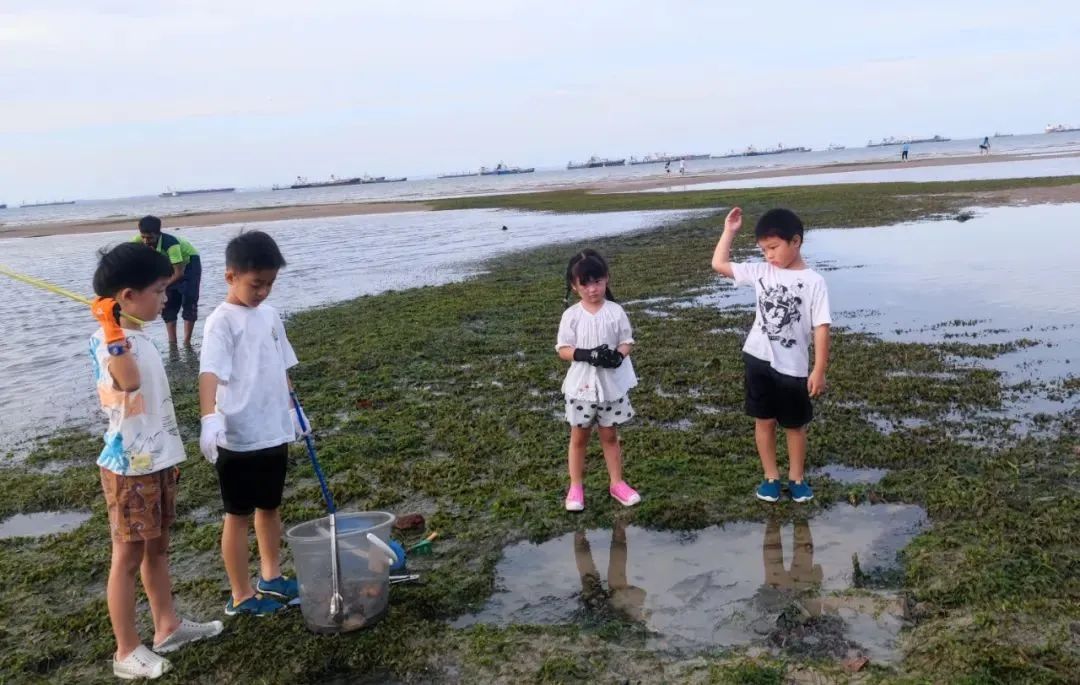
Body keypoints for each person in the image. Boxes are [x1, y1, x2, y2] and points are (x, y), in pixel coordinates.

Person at [89, 243, 222, 679]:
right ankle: (126, 649)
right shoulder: (109, 342)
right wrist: (111, 331)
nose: (166, 298)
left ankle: (168, 625)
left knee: (158, 549)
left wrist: (171, 455)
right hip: (129, 468)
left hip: (157, 460)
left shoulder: (139, 335)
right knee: (127, 558)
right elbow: (126, 383)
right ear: (127, 296)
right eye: (159, 290)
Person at [198, 231, 308, 616]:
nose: (263, 292)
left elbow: (281, 365)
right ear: (230, 277)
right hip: (238, 435)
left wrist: (294, 408)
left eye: (270, 284)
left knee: (270, 507)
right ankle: (241, 595)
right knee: (238, 515)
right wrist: (208, 418)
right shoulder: (220, 322)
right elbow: (209, 373)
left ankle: (271, 576)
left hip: (273, 429)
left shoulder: (271, 315)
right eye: (255, 284)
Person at [711, 207, 831, 503]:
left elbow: (821, 326)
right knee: (763, 420)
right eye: (764, 250)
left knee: (794, 425)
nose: (769, 256)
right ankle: (770, 477)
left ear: (796, 242)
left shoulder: (814, 281)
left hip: (793, 366)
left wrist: (819, 369)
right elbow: (719, 263)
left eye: (774, 248)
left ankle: (797, 478)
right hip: (757, 358)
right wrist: (729, 231)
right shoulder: (761, 271)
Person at [556, 249, 641, 512]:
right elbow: (562, 349)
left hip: (611, 388)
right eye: (585, 284)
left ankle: (617, 483)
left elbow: (627, 341)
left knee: (610, 436)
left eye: (598, 282)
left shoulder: (615, 311)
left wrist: (618, 356)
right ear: (575, 286)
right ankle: (576, 487)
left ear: (606, 279)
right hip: (581, 389)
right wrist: (586, 354)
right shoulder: (571, 315)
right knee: (578, 438)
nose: (593, 289)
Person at [135, 216, 202, 348]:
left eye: (150, 238)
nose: (146, 241)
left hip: (189, 264)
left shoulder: (171, 244)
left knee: (189, 300)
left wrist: (160, 286)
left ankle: (187, 342)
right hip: (169, 263)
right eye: (143, 237)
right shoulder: (138, 241)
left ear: (158, 234)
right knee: (168, 302)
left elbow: (179, 273)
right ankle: (172, 343)